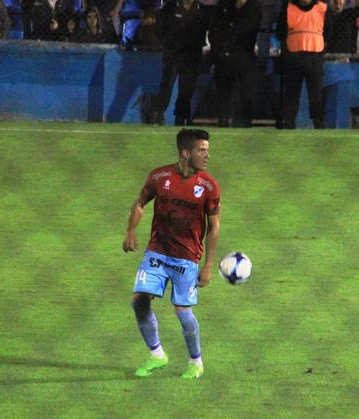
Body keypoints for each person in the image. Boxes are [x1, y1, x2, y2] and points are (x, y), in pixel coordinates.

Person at [123, 128, 220, 380]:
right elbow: (140, 203)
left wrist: (208, 265)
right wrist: (130, 230)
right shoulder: (160, 176)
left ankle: (196, 362)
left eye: (207, 150)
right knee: (139, 301)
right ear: (186, 153)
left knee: (183, 312)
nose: (207, 156)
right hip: (157, 251)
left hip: (186, 257)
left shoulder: (209, 186)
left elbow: (214, 227)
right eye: (202, 150)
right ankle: (157, 355)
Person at [275, 0, 331, 129]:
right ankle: (289, 122)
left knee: (315, 94)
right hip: (294, 57)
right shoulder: (288, 7)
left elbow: (328, 31)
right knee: (292, 93)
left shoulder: (322, 8)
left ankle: (317, 123)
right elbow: (280, 31)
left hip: (313, 57)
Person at [207, 0, 262, 127]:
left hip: (244, 56)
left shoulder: (254, 8)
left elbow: (249, 32)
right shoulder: (223, 7)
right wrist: (220, 50)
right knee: (223, 92)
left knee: (246, 92)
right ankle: (223, 120)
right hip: (224, 56)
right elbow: (214, 31)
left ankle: (245, 121)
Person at [153, 0, 206, 126]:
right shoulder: (169, 8)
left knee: (187, 88)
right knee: (167, 85)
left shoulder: (202, 10)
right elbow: (159, 29)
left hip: (191, 56)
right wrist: (167, 45)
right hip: (173, 55)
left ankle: (182, 117)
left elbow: (205, 30)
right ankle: (158, 113)